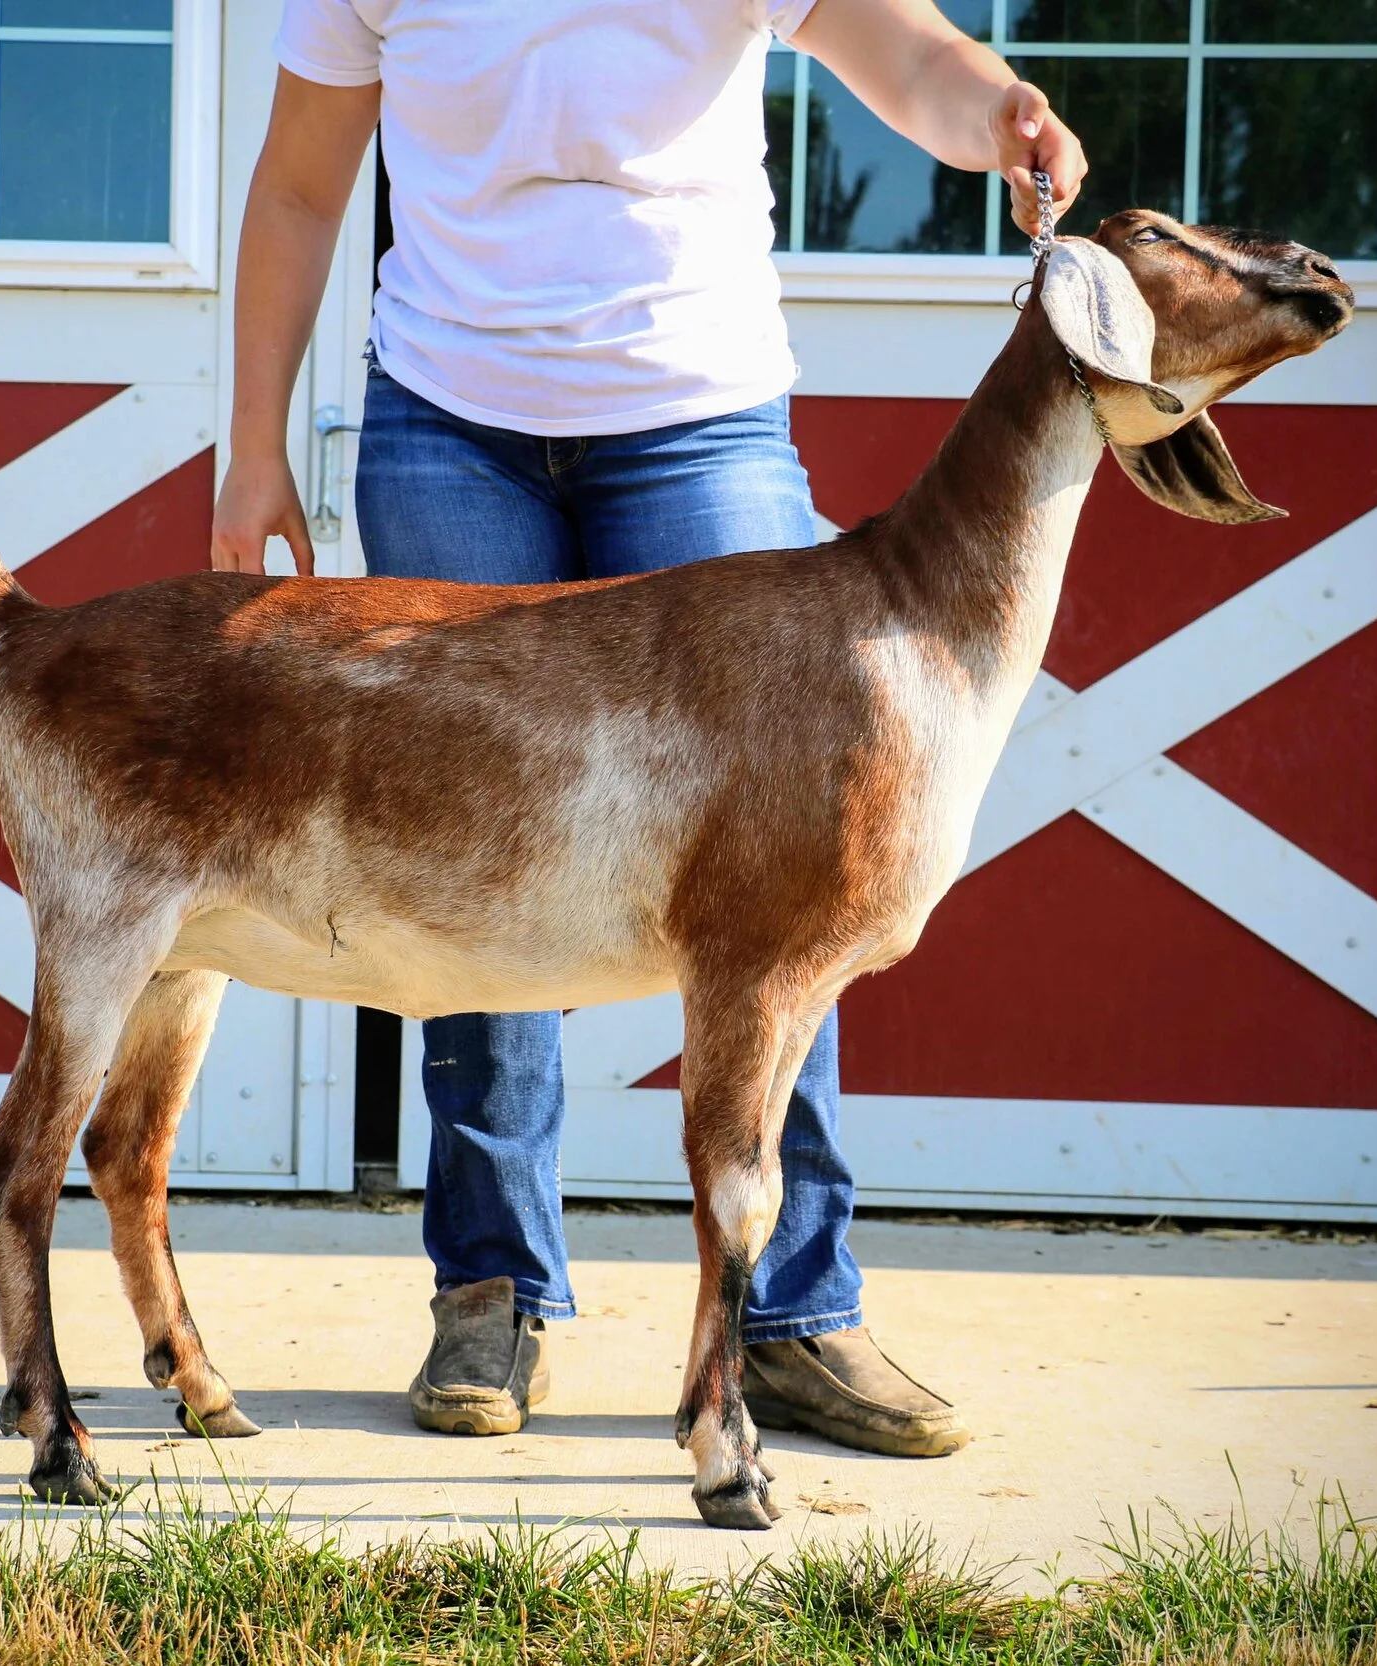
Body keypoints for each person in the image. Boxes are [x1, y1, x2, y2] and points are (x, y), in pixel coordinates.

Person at [210, 0, 1088, 1457]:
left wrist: (1000, 108)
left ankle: (797, 1311)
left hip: (701, 427)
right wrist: (254, 442)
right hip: (449, 427)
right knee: (473, 858)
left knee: (794, 880)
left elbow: (910, 57)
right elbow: (304, 185)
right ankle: (491, 1286)